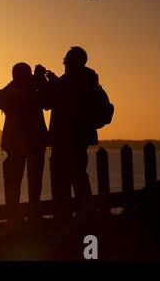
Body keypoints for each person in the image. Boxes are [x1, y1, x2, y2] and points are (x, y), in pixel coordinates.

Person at [35, 46, 99, 220]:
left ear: (74, 62)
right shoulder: (88, 79)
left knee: (65, 177)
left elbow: (48, 102)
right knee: (78, 175)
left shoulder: (73, 81)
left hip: (65, 137)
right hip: (80, 137)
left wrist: (44, 82)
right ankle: (85, 214)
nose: (64, 62)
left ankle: (66, 215)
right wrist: (53, 82)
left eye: (67, 59)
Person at [0, 63, 48, 216]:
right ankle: (33, 214)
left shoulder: (11, 91)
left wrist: (16, 86)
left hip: (16, 142)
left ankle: (14, 215)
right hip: (34, 141)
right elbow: (47, 101)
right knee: (34, 181)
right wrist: (38, 80)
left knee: (15, 181)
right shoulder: (33, 90)